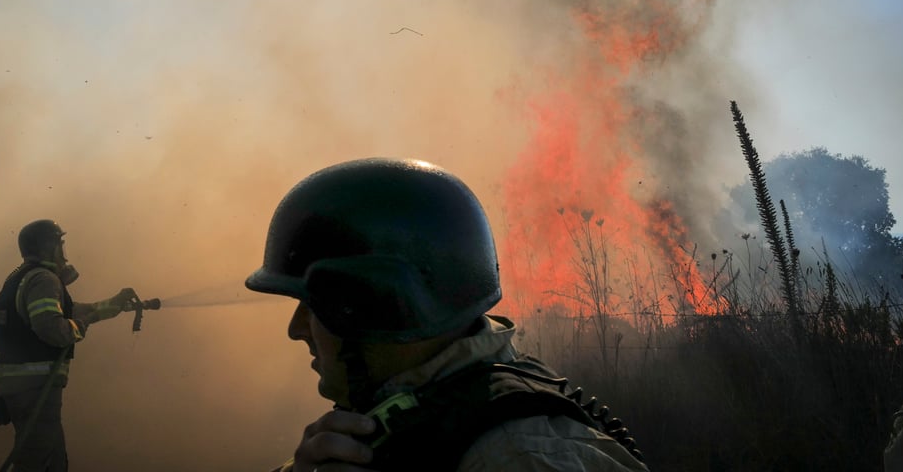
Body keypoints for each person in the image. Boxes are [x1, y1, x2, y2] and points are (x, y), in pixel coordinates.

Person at [246, 158, 649, 472]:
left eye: (313, 305)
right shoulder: (413, 414)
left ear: (378, 307)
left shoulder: (518, 457)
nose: (296, 329)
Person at [0, 219, 139, 472]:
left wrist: (114, 304)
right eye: (59, 244)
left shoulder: (25, 278)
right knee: (40, 462)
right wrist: (80, 327)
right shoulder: (44, 280)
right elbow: (52, 328)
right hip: (35, 387)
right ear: (48, 247)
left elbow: (70, 312)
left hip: (21, 386)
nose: (63, 251)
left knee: (48, 459)